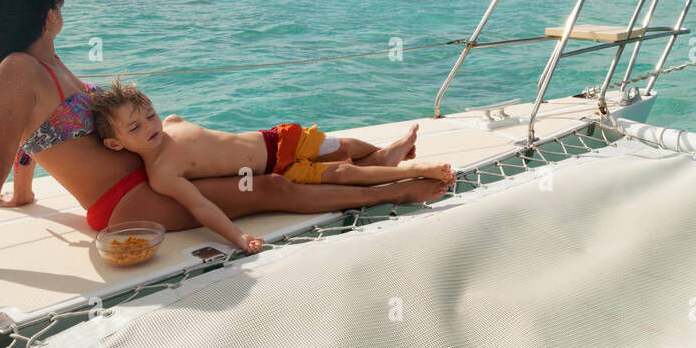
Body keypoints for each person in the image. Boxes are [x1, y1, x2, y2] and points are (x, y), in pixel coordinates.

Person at [0, 0, 448, 284]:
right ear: (48, 13)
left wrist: (24, 193)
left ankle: (371, 164)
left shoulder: (48, 63)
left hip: (150, 175)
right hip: (126, 202)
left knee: (262, 152)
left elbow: (28, 143)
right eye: (59, 2)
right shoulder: (17, 71)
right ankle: (393, 190)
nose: (63, 9)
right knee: (273, 188)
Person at [91, 78, 454, 253]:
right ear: (115, 144)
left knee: (344, 145)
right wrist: (237, 238)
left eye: (150, 115)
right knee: (344, 172)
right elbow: (203, 207)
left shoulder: (171, 123)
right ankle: (405, 177)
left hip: (276, 138)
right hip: (277, 168)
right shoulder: (162, 175)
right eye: (135, 128)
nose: (151, 127)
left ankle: (386, 153)